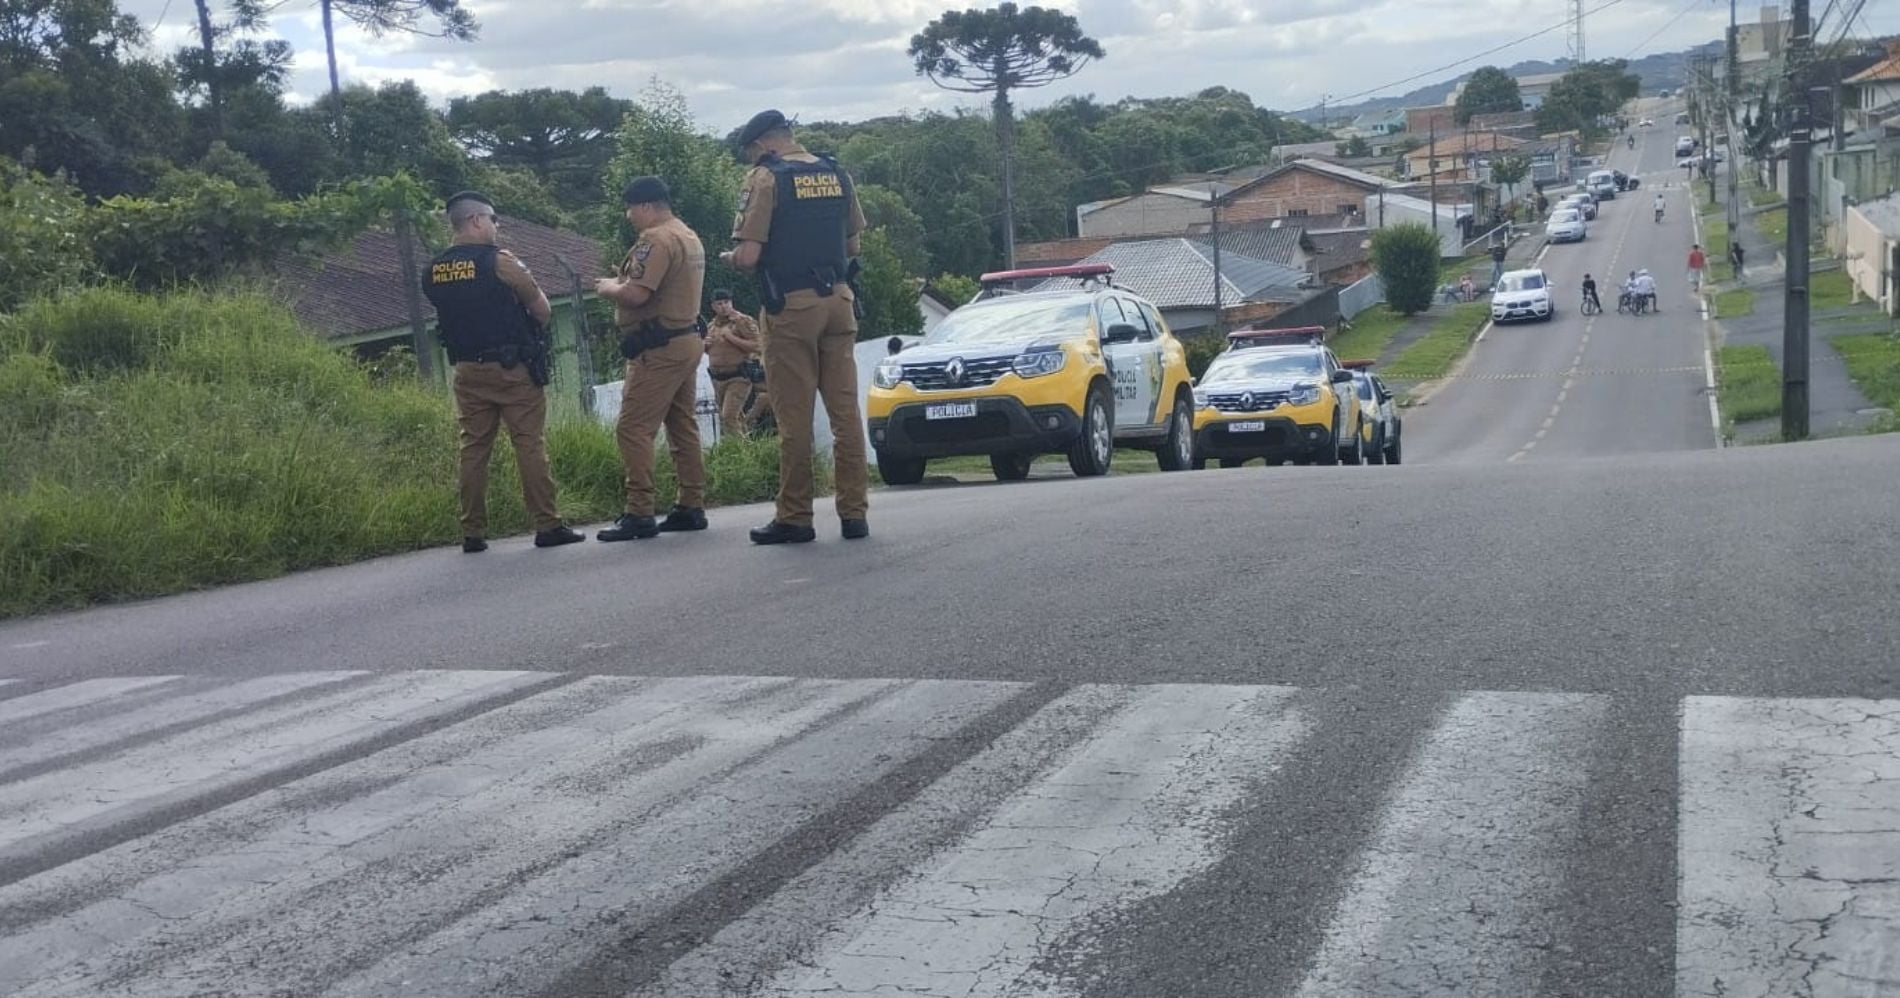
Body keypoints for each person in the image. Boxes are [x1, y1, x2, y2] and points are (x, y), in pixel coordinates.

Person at [721, 109, 871, 545]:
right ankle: (854, 514)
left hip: (791, 307)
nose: (752, 160)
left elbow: (748, 257)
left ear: (764, 144)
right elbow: (853, 243)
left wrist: (731, 260)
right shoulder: (836, 172)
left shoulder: (766, 178)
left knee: (794, 416)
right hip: (840, 302)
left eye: (751, 152)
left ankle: (795, 516)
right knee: (845, 414)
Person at [420, 191, 585, 554]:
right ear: (476, 221)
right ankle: (547, 524)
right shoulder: (500, 262)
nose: (497, 226)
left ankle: (473, 532)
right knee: (528, 443)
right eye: (494, 219)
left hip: (466, 370)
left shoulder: (434, 270)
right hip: (511, 369)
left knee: (474, 448)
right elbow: (541, 310)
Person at [593, 176, 709, 542]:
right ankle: (691, 504)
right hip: (685, 340)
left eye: (630, 208)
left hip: (658, 348)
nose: (629, 216)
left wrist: (608, 287)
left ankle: (639, 511)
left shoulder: (656, 239)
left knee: (633, 428)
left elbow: (637, 294)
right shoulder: (687, 234)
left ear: (645, 206)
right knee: (681, 423)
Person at [705, 289, 763, 438]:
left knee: (728, 416)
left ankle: (738, 452)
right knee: (733, 417)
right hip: (718, 378)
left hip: (738, 376)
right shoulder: (711, 326)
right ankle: (745, 450)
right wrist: (704, 344)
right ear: (713, 306)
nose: (724, 306)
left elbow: (758, 346)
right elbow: (711, 351)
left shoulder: (742, 321)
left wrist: (731, 337)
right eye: (719, 303)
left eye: (726, 302)